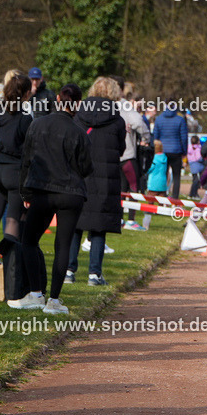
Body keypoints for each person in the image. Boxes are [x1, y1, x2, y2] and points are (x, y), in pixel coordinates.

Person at [14, 84, 93, 314]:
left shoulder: (37, 125)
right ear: (77, 104)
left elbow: (26, 161)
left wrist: (25, 192)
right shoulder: (79, 132)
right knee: (63, 245)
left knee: (29, 240)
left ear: (58, 99)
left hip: (43, 190)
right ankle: (54, 300)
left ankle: (36, 293)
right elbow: (87, 167)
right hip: (71, 193)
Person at [67, 76, 126, 287]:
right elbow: (121, 149)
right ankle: (94, 273)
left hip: (80, 174)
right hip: (105, 177)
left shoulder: (78, 115)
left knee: (75, 223)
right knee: (99, 226)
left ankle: (69, 270)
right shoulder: (117, 120)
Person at [0, 72, 33, 301]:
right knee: (13, 219)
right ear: (25, 94)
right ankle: (10, 263)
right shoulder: (25, 119)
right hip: (15, 172)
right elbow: (30, 151)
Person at [118, 80, 152, 230]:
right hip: (128, 154)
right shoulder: (126, 107)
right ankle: (131, 220)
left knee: (121, 189)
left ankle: (119, 219)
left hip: (114, 155)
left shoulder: (109, 105)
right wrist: (146, 138)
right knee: (134, 188)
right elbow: (139, 122)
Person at [152, 99, 188, 198]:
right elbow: (184, 137)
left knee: (162, 175)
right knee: (176, 177)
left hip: (162, 151)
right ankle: (175, 199)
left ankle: (162, 197)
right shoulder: (180, 119)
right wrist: (185, 151)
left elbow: (156, 135)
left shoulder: (159, 119)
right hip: (176, 151)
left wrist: (156, 149)